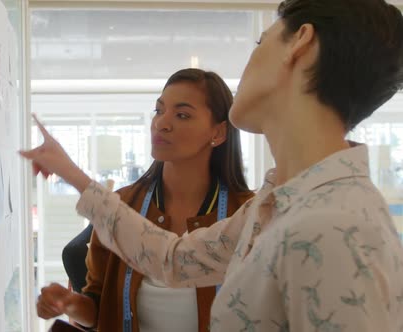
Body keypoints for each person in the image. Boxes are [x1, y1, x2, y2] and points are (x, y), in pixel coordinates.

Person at [21, 0, 403, 330]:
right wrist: (72, 173)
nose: (164, 122)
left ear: (300, 44)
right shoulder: (278, 204)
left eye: (260, 41)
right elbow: (175, 260)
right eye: (159, 110)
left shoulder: (334, 227)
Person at [38, 69, 254, 331]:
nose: (162, 123)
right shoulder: (123, 204)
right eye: (158, 110)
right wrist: (70, 304)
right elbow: (98, 306)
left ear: (218, 133)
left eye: (182, 115)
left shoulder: (247, 214)